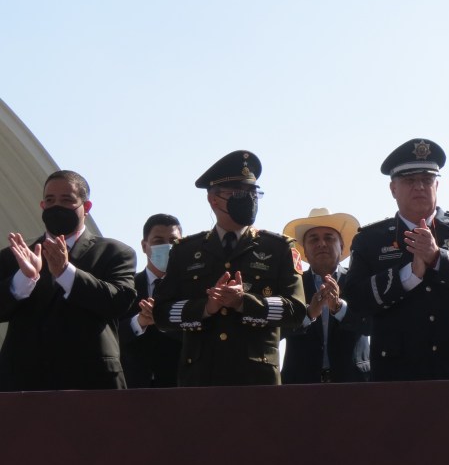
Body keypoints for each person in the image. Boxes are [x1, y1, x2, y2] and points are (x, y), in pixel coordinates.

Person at [342, 138, 449, 381]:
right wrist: (407, 276)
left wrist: (439, 257)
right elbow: (356, 300)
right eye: (409, 180)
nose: (419, 186)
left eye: (426, 180)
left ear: (437, 185)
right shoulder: (369, 240)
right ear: (393, 189)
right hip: (397, 374)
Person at [153, 150, 305, 386]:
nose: (249, 198)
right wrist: (206, 307)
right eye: (238, 192)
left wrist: (245, 302)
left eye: (253, 192)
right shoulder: (184, 251)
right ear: (213, 199)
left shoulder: (278, 248)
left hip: (257, 380)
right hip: (200, 381)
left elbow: (296, 310)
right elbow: (162, 314)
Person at [0, 170, 136, 390]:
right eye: (50, 200)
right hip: (23, 384)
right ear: (42, 206)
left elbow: (118, 302)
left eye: (67, 200)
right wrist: (23, 279)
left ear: (86, 207)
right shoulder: (16, 255)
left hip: (91, 383)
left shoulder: (114, 252)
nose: (57, 207)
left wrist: (65, 272)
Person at [281, 208, 370, 383]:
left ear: (342, 246)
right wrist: (307, 315)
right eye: (313, 239)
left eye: (329, 237)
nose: (321, 243)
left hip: (355, 385)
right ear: (304, 250)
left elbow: (371, 325)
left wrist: (339, 309)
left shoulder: (358, 280)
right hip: (301, 387)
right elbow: (276, 330)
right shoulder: (291, 285)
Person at [119, 213, 184, 387]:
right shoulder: (126, 285)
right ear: (144, 245)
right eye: (158, 241)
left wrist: (163, 322)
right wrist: (139, 322)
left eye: (173, 241)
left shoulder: (191, 289)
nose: (167, 246)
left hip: (179, 388)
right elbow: (112, 333)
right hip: (133, 389)